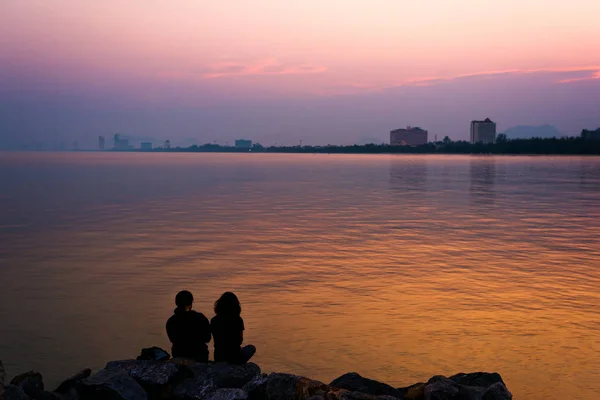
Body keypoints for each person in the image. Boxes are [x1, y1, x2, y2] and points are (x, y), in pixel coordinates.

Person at [166, 290, 211, 362]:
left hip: (179, 355)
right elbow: (207, 339)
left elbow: (172, 339)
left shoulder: (171, 321)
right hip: (199, 356)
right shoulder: (200, 317)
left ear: (176, 303)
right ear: (191, 302)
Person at [211, 292, 256, 364]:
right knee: (251, 348)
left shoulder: (214, 320)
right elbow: (240, 340)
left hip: (219, 357)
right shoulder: (238, 320)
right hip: (235, 357)